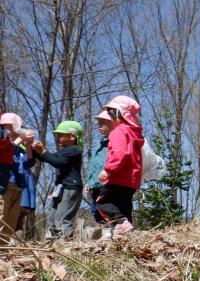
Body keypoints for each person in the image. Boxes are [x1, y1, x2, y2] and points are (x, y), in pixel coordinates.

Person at [96, 95, 144, 237]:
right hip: (131, 180)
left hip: (118, 177)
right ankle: (123, 233)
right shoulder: (133, 133)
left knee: (103, 201)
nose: (109, 117)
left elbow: (120, 153)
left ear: (119, 114)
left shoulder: (118, 132)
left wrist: (108, 169)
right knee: (124, 207)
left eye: (111, 113)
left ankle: (120, 222)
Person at [32, 120, 83, 239]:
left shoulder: (74, 149)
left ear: (72, 137)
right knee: (53, 217)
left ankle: (65, 243)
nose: (58, 137)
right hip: (61, 189)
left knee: (62, 217)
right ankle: (53, 241)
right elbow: (49, 158)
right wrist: (35, 150)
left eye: (61, 135)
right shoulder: (63, 151)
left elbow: (58, 162)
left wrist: (43, 151)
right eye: (57, 135)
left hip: (71, 188)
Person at [0, 113, 34, 244]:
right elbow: (9, 149)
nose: (12, 131)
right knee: (2, 217)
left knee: (11, 221)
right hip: (5, 185)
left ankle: (3, 250)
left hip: (18, 187)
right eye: (8, 127)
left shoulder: (20, 148)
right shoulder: (6, 145)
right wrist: (21, 138)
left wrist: (28, 144)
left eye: (15, 127)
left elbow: (29, 162)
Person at [86, 110, 113, 239]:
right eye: (98, 123)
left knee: (106, 209)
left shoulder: (114, 142)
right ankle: (104, 231)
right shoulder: (99, 143)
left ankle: (111, 232)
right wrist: (89, 181)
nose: (99, 126)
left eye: (103, 123)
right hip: (94, 184)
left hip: (106, 182)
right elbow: (94, 164)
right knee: (95, 211)